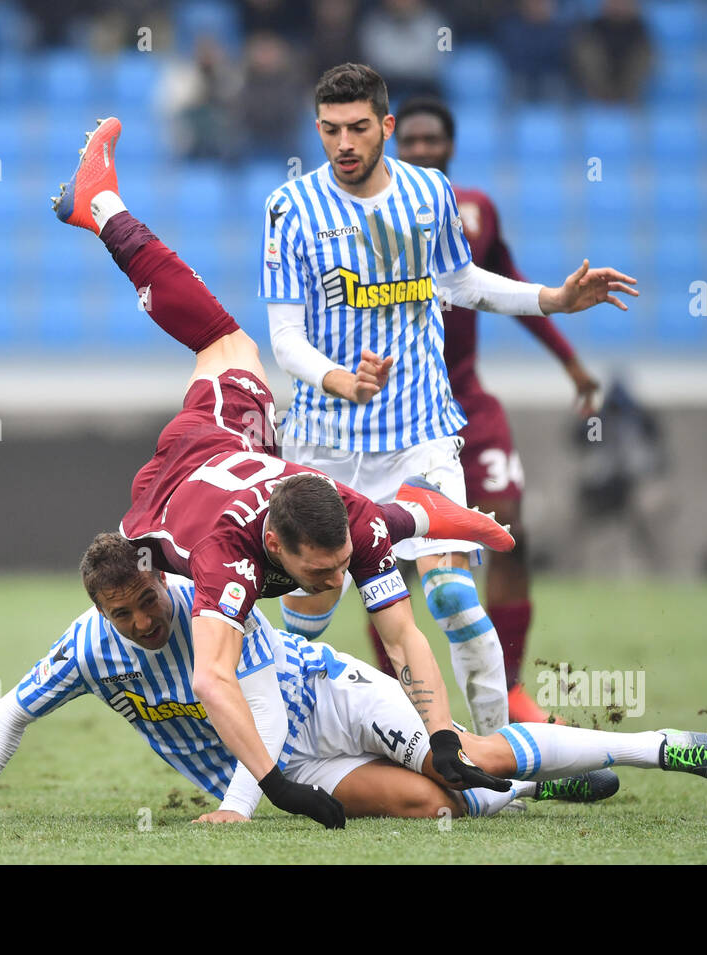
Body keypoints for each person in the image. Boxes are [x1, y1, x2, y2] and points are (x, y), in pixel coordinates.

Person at [42, 116, 524, 830]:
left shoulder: (276, 543)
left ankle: (103, 205)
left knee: (225, 340)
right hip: (211, 466)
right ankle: (100, 206)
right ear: (276, 551)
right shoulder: (230, 564)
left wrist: (441, 735)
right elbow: (216, 675)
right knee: (227, 343)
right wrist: (271, 786)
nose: (340, 574)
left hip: (201, 462)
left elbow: (400, 632)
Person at [260, 63, 637, 737]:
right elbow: (285, 338)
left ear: (386, 127)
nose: (343, 143)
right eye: (330, 129)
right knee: (307, 628)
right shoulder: (292, 208)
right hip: (324, 447)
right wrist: (341, 380)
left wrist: (551, 298)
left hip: (419, 435)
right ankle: (296, 753)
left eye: (357, 128)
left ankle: (499, 760)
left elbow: (460, 282)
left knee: (457, 598)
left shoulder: (428, 194)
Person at [0, 535, 707, 826]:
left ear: (161, 579)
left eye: (148, 601)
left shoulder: (210, 603)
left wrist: (238, 803)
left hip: (326, 696)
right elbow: (11, 709)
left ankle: (654, 745)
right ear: (100, 612)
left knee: (459, 756)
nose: (144, 622)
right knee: (431, 807)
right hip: (293, 766)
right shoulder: (89, 647)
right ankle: (526, 792)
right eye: (125, 615)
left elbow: (252, 700)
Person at [390, 95, 600, 723]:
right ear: (396, 144)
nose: (424, 150)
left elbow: (511, 290)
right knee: (393, 553)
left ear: (450, 146)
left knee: (507, 531)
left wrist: (568, 360)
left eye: (435, 141)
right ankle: (402, 696)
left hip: (469, 403)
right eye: (413, 141)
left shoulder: (475, 214)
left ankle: (507, 690)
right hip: (399, 413)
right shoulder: (372, 217)